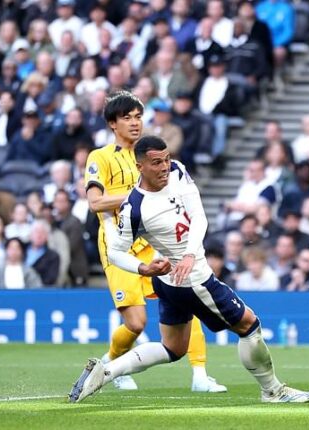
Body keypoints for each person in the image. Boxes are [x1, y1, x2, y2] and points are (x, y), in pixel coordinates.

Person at [69, 136, 309, 404]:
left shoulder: (177, 170)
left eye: (165, 159)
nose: (164, 167)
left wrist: (185, 254)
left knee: (173, 348)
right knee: (249, 324)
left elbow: (198, 215)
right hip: (193, 280)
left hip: (172, 278)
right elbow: (115, 251)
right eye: (156, 163)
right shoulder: (134, 207)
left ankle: (105, 372)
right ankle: (273, 391)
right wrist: (143, 267)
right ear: (140, 167)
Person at [84, 91, 223, 393]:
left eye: (138, 117)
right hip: (118, 246)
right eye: (127, 117)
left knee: (188, 296)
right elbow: (95, 203)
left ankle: (200, 375)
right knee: (135, 323)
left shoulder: (154, 156)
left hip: (155, 242)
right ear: (112, 123)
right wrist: (139, 196)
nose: (134, 123)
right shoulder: (100, 157)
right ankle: (111, 365)